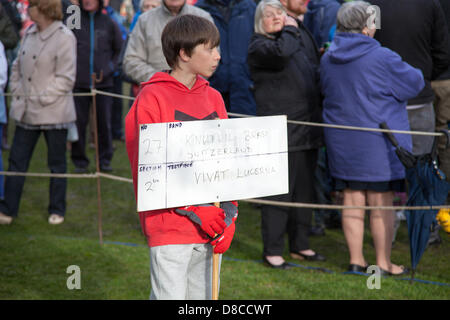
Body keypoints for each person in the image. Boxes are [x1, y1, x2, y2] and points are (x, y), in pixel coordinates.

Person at [125, 14, 237, 299]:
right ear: (184, 54)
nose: (218, 56)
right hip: (170, 226)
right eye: (209, 49)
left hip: (212, 226)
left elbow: (226, 163)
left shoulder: (215, 98)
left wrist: (229, 214)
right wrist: (195, 210)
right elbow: (151, 169)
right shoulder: (152, 99)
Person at [320, 1, 425, 275]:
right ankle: (383, 262)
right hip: (378, 141)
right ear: (366, 27)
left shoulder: (328, 56)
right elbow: (415, 83)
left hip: (342, 140)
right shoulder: (382, 57)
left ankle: (357, 261)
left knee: (352, 199)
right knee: (381, 204)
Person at [248, 0, 325, 269]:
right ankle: (272, 250)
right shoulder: (260, 46)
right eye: (269, 15)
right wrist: (292, 29)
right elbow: (281, 54)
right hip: (279, 132)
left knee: (304, 190)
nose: (276, 18)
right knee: (278, 194)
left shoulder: (291, 39)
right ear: (260, 21)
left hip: (307, 128)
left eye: (279, 13)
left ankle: (300, 244)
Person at [0, 0, 77, 225]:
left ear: (42, 8)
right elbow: (16, 67)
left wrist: (40, 98)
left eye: (32, 4)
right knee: (17, 161)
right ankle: (8, 208)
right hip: (26, 111)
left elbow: (66, 78)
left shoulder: (64, 37)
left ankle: (57, 209)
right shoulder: (30, 32)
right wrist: (17, 90)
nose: (28, 9)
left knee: (56, 164)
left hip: (54, 112)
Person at [370, 0, 450, 156]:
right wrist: (421, 80)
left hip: (386, 99)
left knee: (391, 163)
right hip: (416, 98)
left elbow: (367, 44)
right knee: (419, 165)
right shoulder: (430, 4)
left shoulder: (373, 5)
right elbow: (443, 52)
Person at [70, 0, 123, 173]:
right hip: (79, 83)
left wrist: (109, 68)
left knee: (104, 124)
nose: (87, 1)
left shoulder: (109, 22)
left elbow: (119, 50)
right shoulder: (74, 21)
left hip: (104, 84)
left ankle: (105, 160)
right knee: (79, 123)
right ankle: (79, 161)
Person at [122, 0, 213, 86]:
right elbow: (131, 61)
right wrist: (162, 80)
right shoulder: (145, 20)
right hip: (155, 93)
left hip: (194, 93)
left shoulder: (203, 18)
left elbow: (212, 57)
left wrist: (189, 82)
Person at [195, 0, 257, 115]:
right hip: (211, 86)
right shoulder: (199, 9)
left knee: (245, 130)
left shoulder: (249, 7)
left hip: (246, 88)